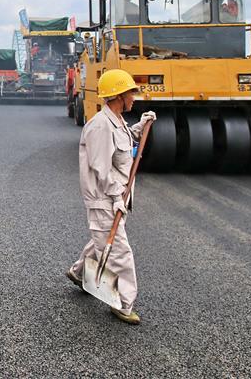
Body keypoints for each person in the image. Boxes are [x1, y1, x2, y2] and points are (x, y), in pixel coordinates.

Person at [66, 69, 156, 324]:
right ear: (118, 95)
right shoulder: (100, 126)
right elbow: (100, 167)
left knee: (103, 241)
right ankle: (124, 304)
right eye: (131, 93)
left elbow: (125, 146)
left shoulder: (117, 121)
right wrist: (117, 196)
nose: (134, 99)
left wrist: (141, 125)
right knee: (119, 252)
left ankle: (78, 273)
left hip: (115, 197)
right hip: (104, 198)